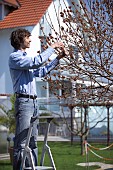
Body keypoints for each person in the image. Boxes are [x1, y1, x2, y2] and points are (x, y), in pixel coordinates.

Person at [9, 28, 66, 170]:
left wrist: (57, 59)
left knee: (33, 141)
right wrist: (52, 47)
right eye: (28, 37)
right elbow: (36, 62)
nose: (30, 40)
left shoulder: (26, 59)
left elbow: (40, 71)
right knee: (22, 143)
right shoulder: (15, 58)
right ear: (20, 39)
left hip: (33, 102)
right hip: (24, 102)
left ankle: (32, 168)